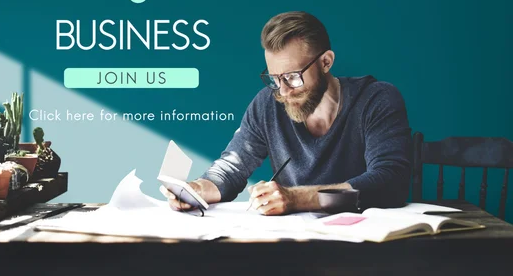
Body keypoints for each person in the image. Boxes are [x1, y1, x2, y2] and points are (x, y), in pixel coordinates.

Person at [160, 11, 412, 215]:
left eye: (292, 76)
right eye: (274, 78)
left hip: (366, 247)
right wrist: (199, 189)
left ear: (326, 61)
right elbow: (232, 168)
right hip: (296, 244)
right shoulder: (267, 104)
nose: (283, 90)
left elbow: (390, 182)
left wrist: (297, 198)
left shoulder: (376, 99)